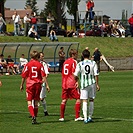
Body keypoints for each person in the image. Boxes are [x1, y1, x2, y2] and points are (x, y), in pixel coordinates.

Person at [20, 50, 50, 124]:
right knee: (36, 102)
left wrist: (21, 84)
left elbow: (24, 75)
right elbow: (44, 75)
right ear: (37, 56)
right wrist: (45, 84)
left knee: (29, 102)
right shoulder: (40, 65)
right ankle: (35, 118)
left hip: (30, 84)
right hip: (38, 84)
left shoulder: (28, 64)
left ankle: (33, 116)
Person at [73, 49, 100, 124]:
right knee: (91, 100)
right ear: (89, 55)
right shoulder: (93, 63)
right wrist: (97, 84)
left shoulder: (80, 64)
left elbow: (75, 75)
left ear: (82, 55)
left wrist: (77, 80)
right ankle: (90, 117)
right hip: (92, 83)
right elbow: (96, 74)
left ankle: (85, 118)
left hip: (84, 84)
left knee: (84, 100)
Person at [59, 49, 83, 122]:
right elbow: (74, 72)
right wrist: (76, 81)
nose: (77, 55)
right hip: (71, 83)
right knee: (78, 98)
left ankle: (62, 117)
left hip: (64, 83)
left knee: (64, 100)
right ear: (73, 55)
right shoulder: (74, 62)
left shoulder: (65, 62)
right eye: (76, 54)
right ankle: (77, 116)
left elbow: (63, 72)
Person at [39, 52, 50, 116]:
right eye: (41, 56)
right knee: (33, 98)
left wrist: (45, 82)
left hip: (42, 83)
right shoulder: (35, 63)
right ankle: (33, 113)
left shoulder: (44, 64)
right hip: (35, 82)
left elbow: (46, 73)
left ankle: (45, 111)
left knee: (41, 98)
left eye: (43, 56)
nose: (42, 57)